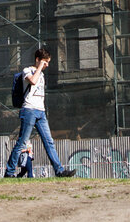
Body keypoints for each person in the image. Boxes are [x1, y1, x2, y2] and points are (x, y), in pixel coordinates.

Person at [4, 48, 76, 178]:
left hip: (40, 112)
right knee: (22, 142)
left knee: (49, 142)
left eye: (48, 63)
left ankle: (59, 171)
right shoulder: (27, 70)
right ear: (37, 60)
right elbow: (32, 81)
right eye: (45, 62)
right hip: (29, 110)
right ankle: (9, 172)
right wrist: (39, 68)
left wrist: (40, 69)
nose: (46, 65)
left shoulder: (41, 74)